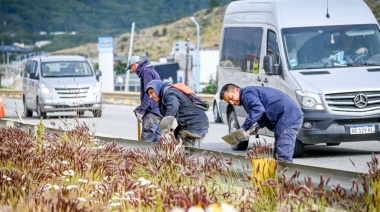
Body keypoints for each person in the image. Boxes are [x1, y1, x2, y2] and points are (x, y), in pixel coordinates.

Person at [219, 83, 304, 162]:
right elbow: (263, 111)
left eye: (231, 98)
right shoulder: (248, 94)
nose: (232, 103)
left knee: (283, 157)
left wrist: (245, 128)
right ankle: (278, 177)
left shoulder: (246, 95)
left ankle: (286, 177)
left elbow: (258, 110)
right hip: (286, 117)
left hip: (289, 117)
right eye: (228, 102)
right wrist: (258, 126)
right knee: (277, 155)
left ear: (236, 90)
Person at [145, 80, 209, 148]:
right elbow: (176, 116)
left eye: (151, 93)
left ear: (157, 89)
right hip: (189, 125)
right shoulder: (164, 96)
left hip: (195, 125)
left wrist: (165, 128)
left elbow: (172, 107)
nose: (150, 96)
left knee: (190, 153)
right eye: (149, 94)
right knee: (183, 152)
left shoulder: (169, 93)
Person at [127, 55, 162, 142]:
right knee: (157, 142)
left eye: (131, 67)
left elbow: (148, 94)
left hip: (152, 112)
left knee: (146, 142)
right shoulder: (149, 70)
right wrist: (141, 106)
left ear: (135, 65)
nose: (132, 70)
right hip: (158, 111)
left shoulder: (145, 72)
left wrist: (142, 111)